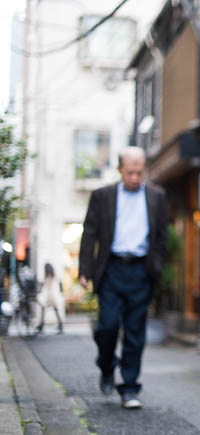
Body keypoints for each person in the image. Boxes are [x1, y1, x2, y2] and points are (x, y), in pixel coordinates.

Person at [78, 146, 167, 409]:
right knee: (106, 326)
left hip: (141, 270)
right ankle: (107, 366)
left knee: (135, 332)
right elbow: (89, 234)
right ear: (120, 170)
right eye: (130, 172)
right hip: (111, 269)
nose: (135, 178)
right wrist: (85, 270)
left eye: (140, 172)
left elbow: (162, 236)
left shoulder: (157, 196)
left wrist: (156, 267)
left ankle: (129, 387)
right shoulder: (102, 196)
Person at [36, 263, 65, 334]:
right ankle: (59, 325)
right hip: (52, 297)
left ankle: (41, 325)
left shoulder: (48, 278)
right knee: (54, 311)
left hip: (50, 297)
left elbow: (46, 288)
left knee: (45, 311)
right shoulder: (53, 277)